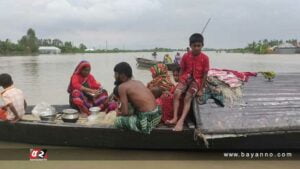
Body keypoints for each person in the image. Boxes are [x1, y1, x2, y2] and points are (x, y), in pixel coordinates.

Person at [166, 33, 210, 131]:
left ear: (202, 45)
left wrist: (201, 89)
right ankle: (175, 117)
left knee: (188, 97)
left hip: (197, 80)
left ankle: (181, 120)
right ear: (190, 46)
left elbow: (205, 75)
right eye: (194, 46)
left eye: (199, 45)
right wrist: (180, 81)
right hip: (186, 78)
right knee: (177, 93)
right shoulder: (186, 56)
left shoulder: (205, 58)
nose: (197, 48)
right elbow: (182, 69)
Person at [113, 62, 161, 134]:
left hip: (147, 120)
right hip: (157, 115)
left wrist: (118, 113)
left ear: (122, 75)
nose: (114, 76)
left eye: (116, 74)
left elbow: (125, 113)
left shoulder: (122, 87)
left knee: (117, 121)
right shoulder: (139, 82)